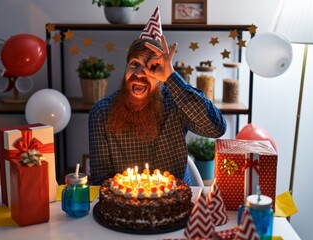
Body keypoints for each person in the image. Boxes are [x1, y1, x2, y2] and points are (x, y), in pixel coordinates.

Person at [89, 9, 226, 186]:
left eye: (151, 67)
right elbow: (101, 181)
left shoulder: (177, 103)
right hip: (127, 208)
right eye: (134, 64)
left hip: (178, 201)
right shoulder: (101, 113)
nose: (139, 73)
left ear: (161, 75)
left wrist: (172, 77)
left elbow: (217, 128)